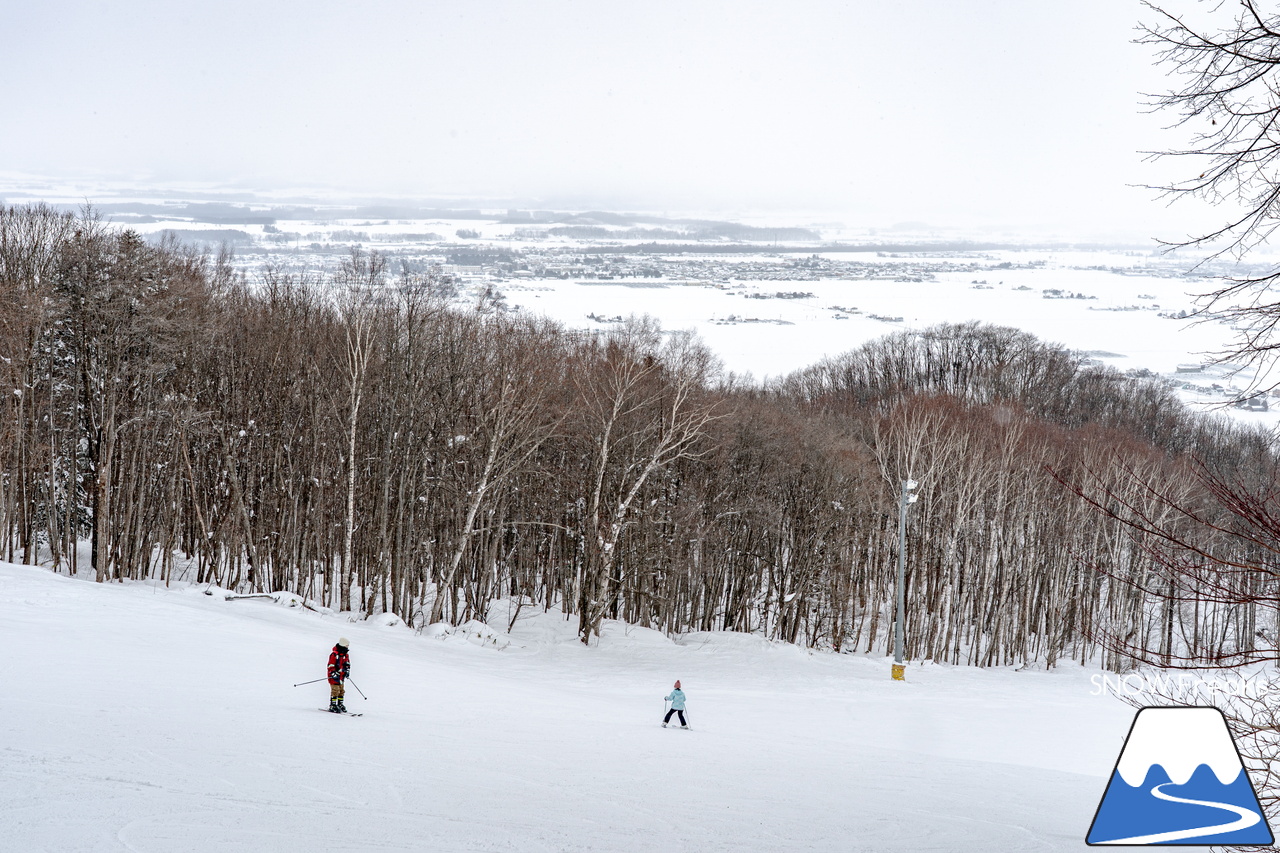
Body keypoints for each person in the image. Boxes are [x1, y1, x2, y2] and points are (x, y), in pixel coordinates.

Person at [328, 637, 351, 713]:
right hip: (334, 677)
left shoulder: (345, 655)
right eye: (347, 645)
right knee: (335, 690)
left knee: (341, 690)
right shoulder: (334, 654)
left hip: (341, 676)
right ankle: (333, 705)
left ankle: (340, 704)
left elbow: (347, 663)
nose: (347, 647)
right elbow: (330, 665)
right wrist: (333, 672)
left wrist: (347, 670)